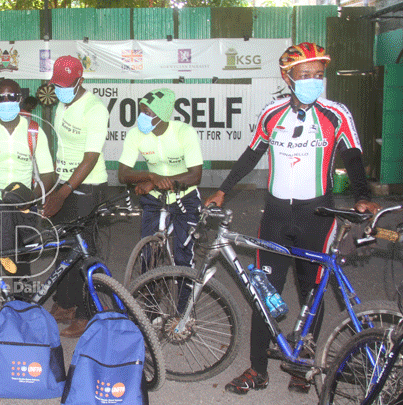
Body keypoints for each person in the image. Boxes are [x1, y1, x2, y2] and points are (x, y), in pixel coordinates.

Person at [203, 42, 380, 395]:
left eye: (319, 75)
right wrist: (223, 189)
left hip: (318, 214)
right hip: (277, 215)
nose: (314, 81)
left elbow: (354, 157)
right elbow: (251, 154)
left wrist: (363, 196)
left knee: (311, 291)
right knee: (263, 291)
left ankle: (302, 366)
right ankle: (257, 369)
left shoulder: (336, 113)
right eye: (305, 76)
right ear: (287, 78)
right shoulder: (272, 114)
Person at [42, 55, 109, 338]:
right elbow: (62, 150)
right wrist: (53, 185)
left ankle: (87, 313)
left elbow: (90, 157)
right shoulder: (61, 103)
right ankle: (65, 304)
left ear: (80, 81)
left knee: (84, 253)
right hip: (64, 185)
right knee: (63, 248)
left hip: (87, 187)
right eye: (57, 84)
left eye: (66, 85)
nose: (61, 90)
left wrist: (65, 191)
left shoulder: (94, 108)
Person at [0, 79, 56, 276]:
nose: (6, 101)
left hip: (21, 201)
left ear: (20, 99)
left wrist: (31, 198)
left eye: (12, 97)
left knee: (20, 259)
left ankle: (20, 300)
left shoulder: (34, 131)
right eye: (1, 97)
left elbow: (48, 173)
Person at [118, 88, 203, 268]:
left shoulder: (184, 132)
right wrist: (150, 176)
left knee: (182, 257)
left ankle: (184, 297)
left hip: (185, 198)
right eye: (141, 111)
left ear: (162, 114)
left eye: (148, 113)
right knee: (148, 257)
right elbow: (123, 174)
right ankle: (148, 295)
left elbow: (195, 175)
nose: (142, 116)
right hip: (155, 199)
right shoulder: (135, 135)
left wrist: (156, 182)